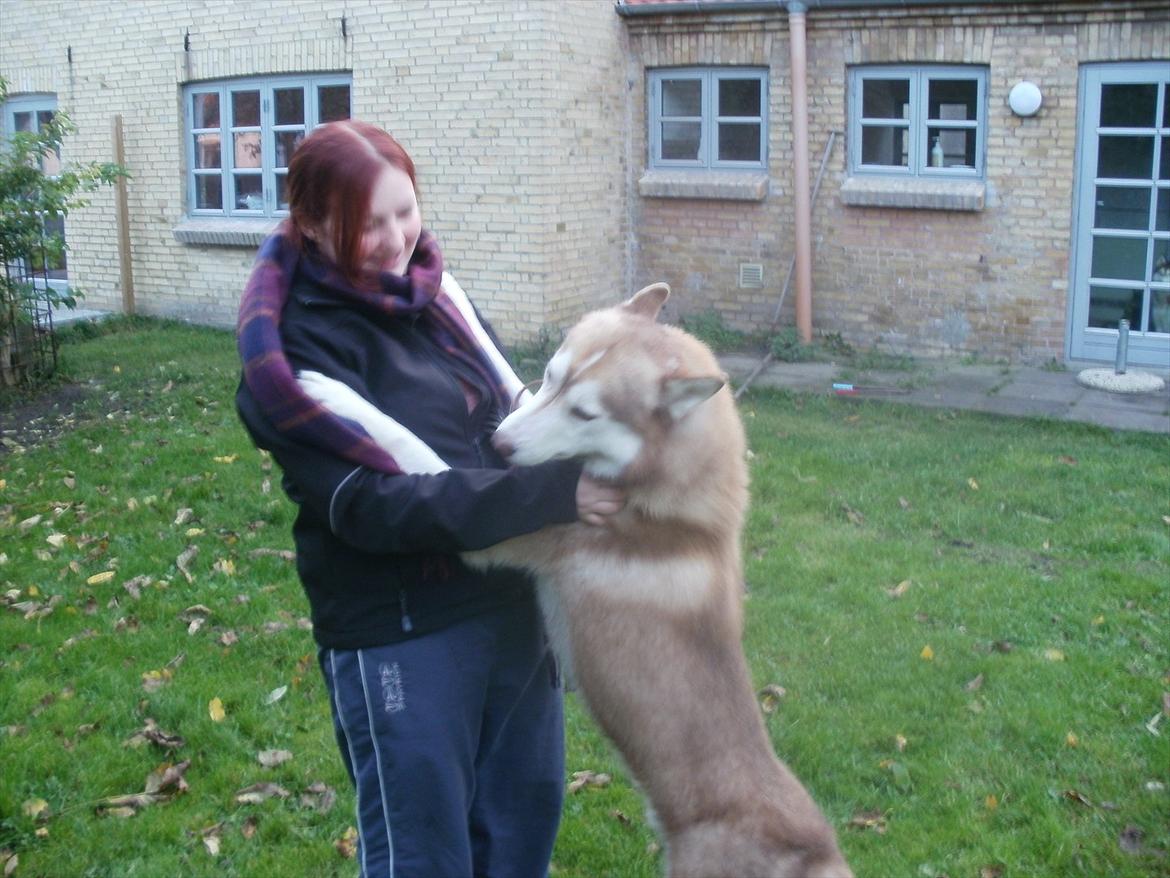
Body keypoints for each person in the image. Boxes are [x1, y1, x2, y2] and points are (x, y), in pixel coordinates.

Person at [235, 120, 623, 878]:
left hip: (510, 605)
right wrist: (558, 493)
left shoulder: (438, 296)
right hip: (404, 631)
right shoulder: (291, 356)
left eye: (404, 211)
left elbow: (513, 418)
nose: (395, 239)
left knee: (519, 832)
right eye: (366, 223)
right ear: (312, 225)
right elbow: (382, 507)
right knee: (425, 855)